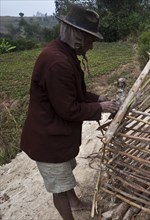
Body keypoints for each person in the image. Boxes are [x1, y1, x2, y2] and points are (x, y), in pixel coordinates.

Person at [20, 4, 118, 220]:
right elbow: (68, 109)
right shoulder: (57, 62)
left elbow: (74, 93)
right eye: (90, 40)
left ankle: (73, 201)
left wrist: (97, 98)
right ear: (78, 36)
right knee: (59, 186)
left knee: (65, 174)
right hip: (48, 140)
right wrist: (100, 108)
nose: (91, 46)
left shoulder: (65, 54)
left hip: (57, 134)